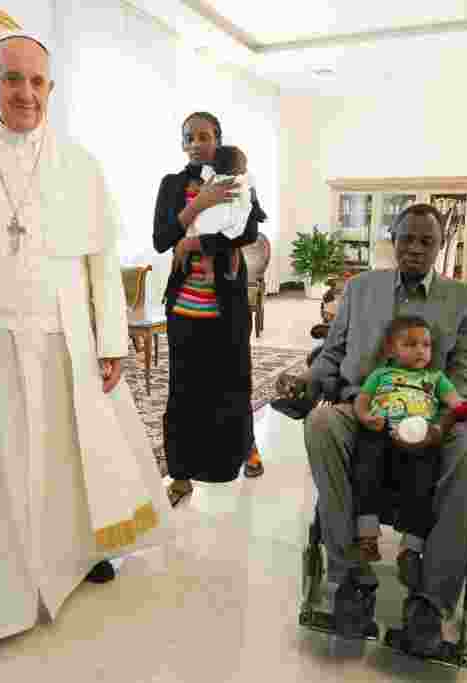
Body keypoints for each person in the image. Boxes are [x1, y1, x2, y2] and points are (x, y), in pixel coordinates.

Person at [0, 32, 172, 681]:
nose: (25, 93)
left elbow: (100, 261)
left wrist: (109, 341)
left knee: (67, 459)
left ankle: (75, 557)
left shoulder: (79, 163)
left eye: (37, 82)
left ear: (51, 88)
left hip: (64, 338)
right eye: (11, 79)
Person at [279, 203, 467, 654]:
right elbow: (331, 355)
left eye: (426, 241)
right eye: (407, 239)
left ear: (441, 246)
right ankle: (351, 582)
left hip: (433, 413)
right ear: (393, 240)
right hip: (363, 408)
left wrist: (435, 424)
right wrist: (306, 380)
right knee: (322, 422)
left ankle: (429, 603)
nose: (415, 249)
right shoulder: (360, 289)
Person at [153, 112, 268, 505]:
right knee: (183, 392)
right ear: (182, 143)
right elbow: (161, 238)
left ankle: (245, 449)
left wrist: (195, 244)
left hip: (227, 306)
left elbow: (250, 232)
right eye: (190, 137)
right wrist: (198, 204)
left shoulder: (237, 178)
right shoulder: (172, 185)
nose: (198, 142)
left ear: (218, 139)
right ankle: (181, 474)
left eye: (205, 135)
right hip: (185, 307)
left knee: (233, 384)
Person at [351, 316, 462, 586]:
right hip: (381, 430)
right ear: (391, 350)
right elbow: (362, 400)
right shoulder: (381, 374)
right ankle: (367, 535)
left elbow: (456, 402)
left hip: (419, 438)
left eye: (426, 345)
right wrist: (365, 417)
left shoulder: (436, 378)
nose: (420, 350)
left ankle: (410, 549)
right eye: (410, 344)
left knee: (426, 478)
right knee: (364, 462)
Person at [188, 145, 253, 283]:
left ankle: (209, 273)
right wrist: (246, 209)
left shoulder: (213, 177)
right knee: (233, 248)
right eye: (243, 165)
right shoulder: (239, 181)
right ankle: (234, 272)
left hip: (211, 220)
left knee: (207, 249)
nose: (245, 168)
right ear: (236, 167)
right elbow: (246, 200)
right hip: (229, 221)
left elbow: (202, 189)